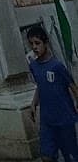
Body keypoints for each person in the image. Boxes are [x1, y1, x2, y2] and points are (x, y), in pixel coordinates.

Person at [26, 24, 78, 162]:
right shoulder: (34, 66)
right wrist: (33, 104)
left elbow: (73, 86)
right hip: (47, 120)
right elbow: (40, 86)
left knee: (71, 156)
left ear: (46, 43)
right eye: (31, 44)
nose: (34, 47)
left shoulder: (57, 66)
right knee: (46, 156)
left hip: (64, 118)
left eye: (37, 43)